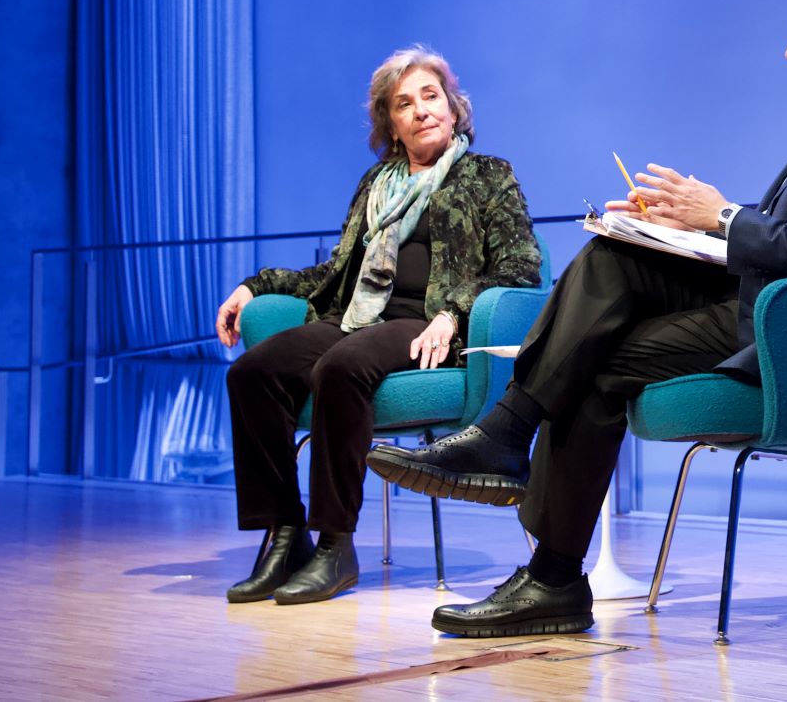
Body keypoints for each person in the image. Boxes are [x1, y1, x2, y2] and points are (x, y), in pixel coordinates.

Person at [367, 0, 787, 638]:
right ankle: (526, 501)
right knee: (617, 255)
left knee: (593, 357)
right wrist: (682, 225)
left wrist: (725, 217)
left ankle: (538, 536)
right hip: (768, 307)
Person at [214, 47, 542, 605]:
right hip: (355, 317)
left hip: (424, 325)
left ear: (454, 107)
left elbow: (520, 264)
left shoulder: (487, 176)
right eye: (403, 104)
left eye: (430, 96)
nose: (420, 111)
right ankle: (285, 536)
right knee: (252, 372)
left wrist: (452, 310)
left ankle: (335, 544)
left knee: (340, 368)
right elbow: (335, 270)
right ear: (390, 124)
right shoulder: (376, 185)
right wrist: (256, 284)